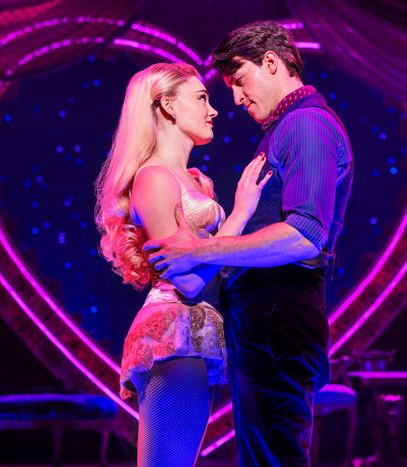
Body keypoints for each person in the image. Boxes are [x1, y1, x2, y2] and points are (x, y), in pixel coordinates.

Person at [143, 22, 354, 466]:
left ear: (271, 62)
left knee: (273, 455)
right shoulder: (286, 128)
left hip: (278, 314)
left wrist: (200, 250)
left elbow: (305, 234)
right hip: (265, 318)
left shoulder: (306, 124)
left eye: (239, 80)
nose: (236, 99)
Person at [94, 62, 272, 467]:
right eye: (202, 98)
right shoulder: (154, 179)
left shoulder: (197, 180)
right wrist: (240, 214)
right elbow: (188, 281)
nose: (214, 110)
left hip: (199, 331)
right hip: (174, 331)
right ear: (169, 106)